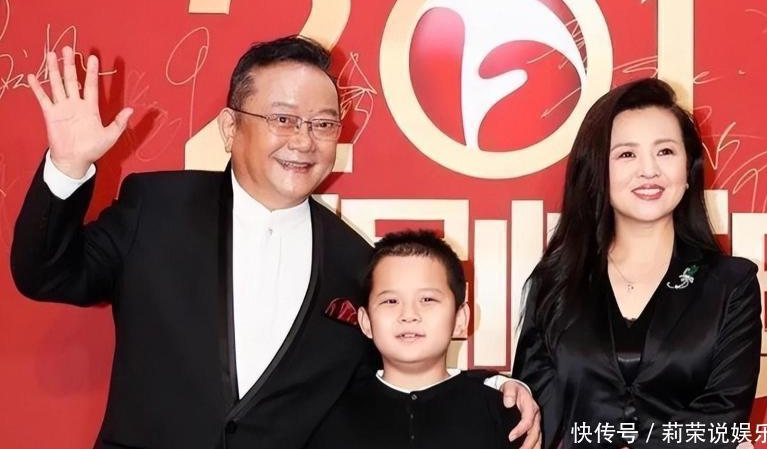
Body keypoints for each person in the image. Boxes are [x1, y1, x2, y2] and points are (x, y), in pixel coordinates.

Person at [12, 36, 540, 449]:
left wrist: (489, 389)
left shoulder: (353, 260)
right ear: (229, 127)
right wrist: (68, 167)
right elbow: (47, 274)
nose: (304, 140)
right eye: (283, 119)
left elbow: (390, 378)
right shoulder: (157, 207)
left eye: (323, 124)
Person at [512, 78, 762, 448]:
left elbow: (723, 415)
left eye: (665, 151)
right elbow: (535, 417)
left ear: (689, 170)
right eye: (627, 154)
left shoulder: (730, 284)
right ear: (597, 171)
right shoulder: (556, 281)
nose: (649, 170)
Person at [307, 230, 522, 449]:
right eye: (391, 301)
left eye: (427, 299)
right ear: (365, 321)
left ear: (460, 319)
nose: (409, 315)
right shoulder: (327, 418)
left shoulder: (505, 415)